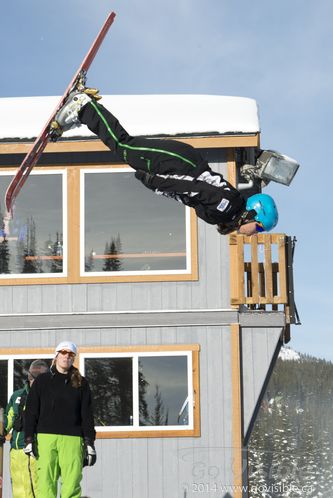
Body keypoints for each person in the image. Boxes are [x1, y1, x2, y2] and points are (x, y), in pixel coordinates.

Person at [50, 88, 278, 236]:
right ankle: (84, 105)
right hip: (179, 163)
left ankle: (85, 113)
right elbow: (192, 188)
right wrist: (155, 182)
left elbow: (190, 196)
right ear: (252, 213)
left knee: (125, 148)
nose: (254, 233)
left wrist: (156, 184)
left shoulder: (228, 213)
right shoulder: (227, 204)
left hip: (180, 165)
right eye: (258, 227)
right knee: (125, 147)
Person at [24, 341, 96, 498]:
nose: (67, 356)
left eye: (71, 354)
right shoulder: (42, 381)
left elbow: (87, 415)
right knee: (45, 482)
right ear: (56, 355)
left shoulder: (82, 383)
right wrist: (28, 438)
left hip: (73, 439)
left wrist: (89, 442)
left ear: (74, 358)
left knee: (71, 484)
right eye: (63, 352)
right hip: (46, 438)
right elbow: (31, 411)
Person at [3, 359, 49, 498]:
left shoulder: (47, 397)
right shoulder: (17, 396)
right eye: (33, 376)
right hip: (15, 451)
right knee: (18, 488)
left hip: (34, 450)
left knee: (36, 488)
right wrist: (2, 430)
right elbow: (9, 417)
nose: (34, 380)